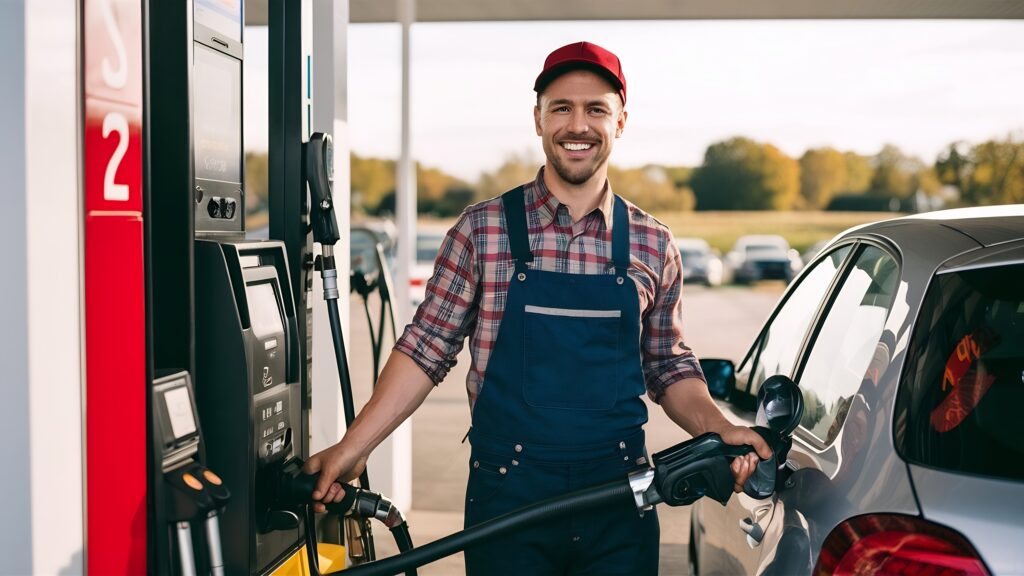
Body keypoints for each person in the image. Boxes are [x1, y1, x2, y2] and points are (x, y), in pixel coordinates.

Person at [305, 41, 771, 575]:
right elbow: (426, 349)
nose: (579, 125)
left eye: (596, 109)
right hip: (508, 499)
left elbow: (667, 365)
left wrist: (717, 426)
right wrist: (353, 448)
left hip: (619, 502)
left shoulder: (652, 242)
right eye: (562, 108)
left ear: (620, 122)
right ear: (538, 119)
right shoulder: (482, 230)